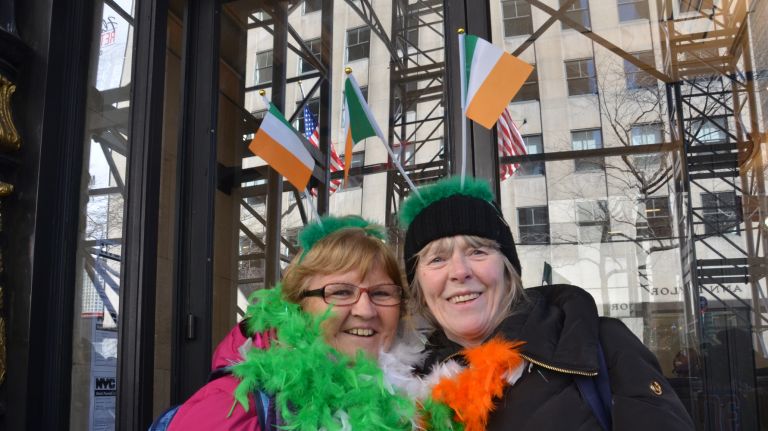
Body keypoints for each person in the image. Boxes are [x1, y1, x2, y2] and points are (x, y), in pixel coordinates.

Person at [399, 176, 694, 431]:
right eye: (437, 259)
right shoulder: (407, 389)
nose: (459, 271)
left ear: (507, 269)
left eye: (477, 251)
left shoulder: (599, 344)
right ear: (419, 286)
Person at [166, 215, 417, 431]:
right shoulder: (231, 409)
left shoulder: (414, 399)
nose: (366, 310)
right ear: (297, 306)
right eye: (340, 292)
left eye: (382, 293)